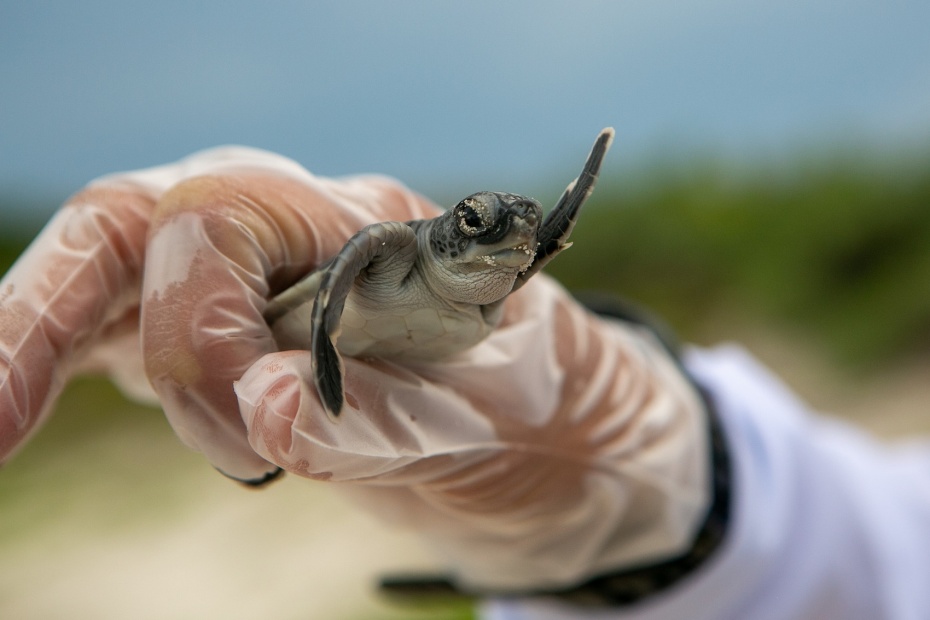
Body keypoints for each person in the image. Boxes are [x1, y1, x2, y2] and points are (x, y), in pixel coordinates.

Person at [2, 146, 929, 620]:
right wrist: (706, 483)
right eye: (481, 221)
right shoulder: (396, 248)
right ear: (449, 228)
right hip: (321, 323)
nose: (502, 238)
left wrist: (649, 468)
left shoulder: (505, 283)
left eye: (520, 237)